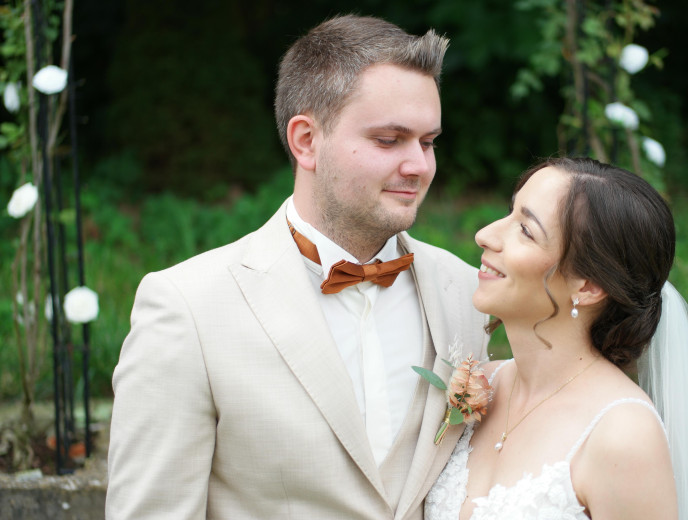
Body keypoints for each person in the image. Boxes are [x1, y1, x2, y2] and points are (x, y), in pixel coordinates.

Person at [106, 15, 489, 519]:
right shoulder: (188, 309)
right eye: (388, 139)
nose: (419, 165)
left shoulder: (466, 292)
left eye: (428, 141)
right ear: (306, 140)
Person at [425, 157, 688, 519]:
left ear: (588, 286)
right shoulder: (479, 386)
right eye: (510, 212)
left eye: (525, 230)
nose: (485, 234)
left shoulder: (622, 435)